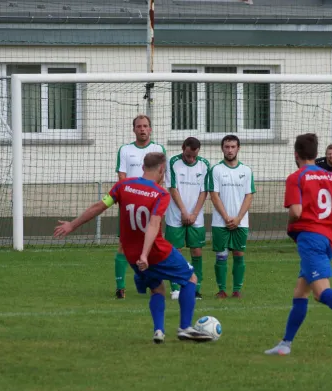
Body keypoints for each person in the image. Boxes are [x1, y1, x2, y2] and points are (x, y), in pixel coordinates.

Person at [54, 152, 213, 344]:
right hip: (155, 252)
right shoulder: (160, 194)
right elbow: (153, 224)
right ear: (162, 170)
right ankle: (185, 328)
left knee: (157, 289)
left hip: (131, 254)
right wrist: (146, 254)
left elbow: (98, 206)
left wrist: (72, 225)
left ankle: (159, 331)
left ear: (143, 167)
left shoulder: (123, 185)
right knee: (190, 278)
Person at [265, 133, 332, 356]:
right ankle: (285, 344)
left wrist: (291, 224)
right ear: (316, 154)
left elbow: (296, 211)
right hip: (329, 239)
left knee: (321, 292)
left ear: (296, 154)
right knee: (300, 292)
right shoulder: (330, 176)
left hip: (310, 239)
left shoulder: (296, 177)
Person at [114, 115, 166, 299]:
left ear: (150, 129)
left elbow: (161, 177)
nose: (142, 129)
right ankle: (120, 287)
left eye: (145, 126)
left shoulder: (158, 149)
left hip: (152, 205)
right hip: (131, 207)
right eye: (139, 126)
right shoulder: (125, 150)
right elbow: (122, 177)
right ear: (134, 129)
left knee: (153, 243)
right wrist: (130, 198)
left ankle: (152, 282)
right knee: (123, 245)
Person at [208, 135, 255, 299]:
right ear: (222, 148)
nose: (230, 150)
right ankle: (221, 290)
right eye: (227, 147)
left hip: (240, 222)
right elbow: (214, 195)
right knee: (221, 255)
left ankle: (237, 290)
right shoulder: (216, 170)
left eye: (233, 147)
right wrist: (227, 217)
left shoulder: (246, 171)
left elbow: (249, 196)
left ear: (238, 148)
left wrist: (238, 218)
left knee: (239, 254)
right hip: (221, 222)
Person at [165, 137, 210, 300]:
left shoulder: (204, 164)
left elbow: (204, 191)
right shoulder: (173, 162)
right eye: (188, 155)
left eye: (194, 156)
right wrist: (184, 212)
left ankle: (195, 288)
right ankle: (175, 288)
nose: (191, 159)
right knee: (175, 252)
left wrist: (194, 214)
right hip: (176, 215)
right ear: (183, 148)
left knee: (197, 251)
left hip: (195, 216)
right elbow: (173, 188)